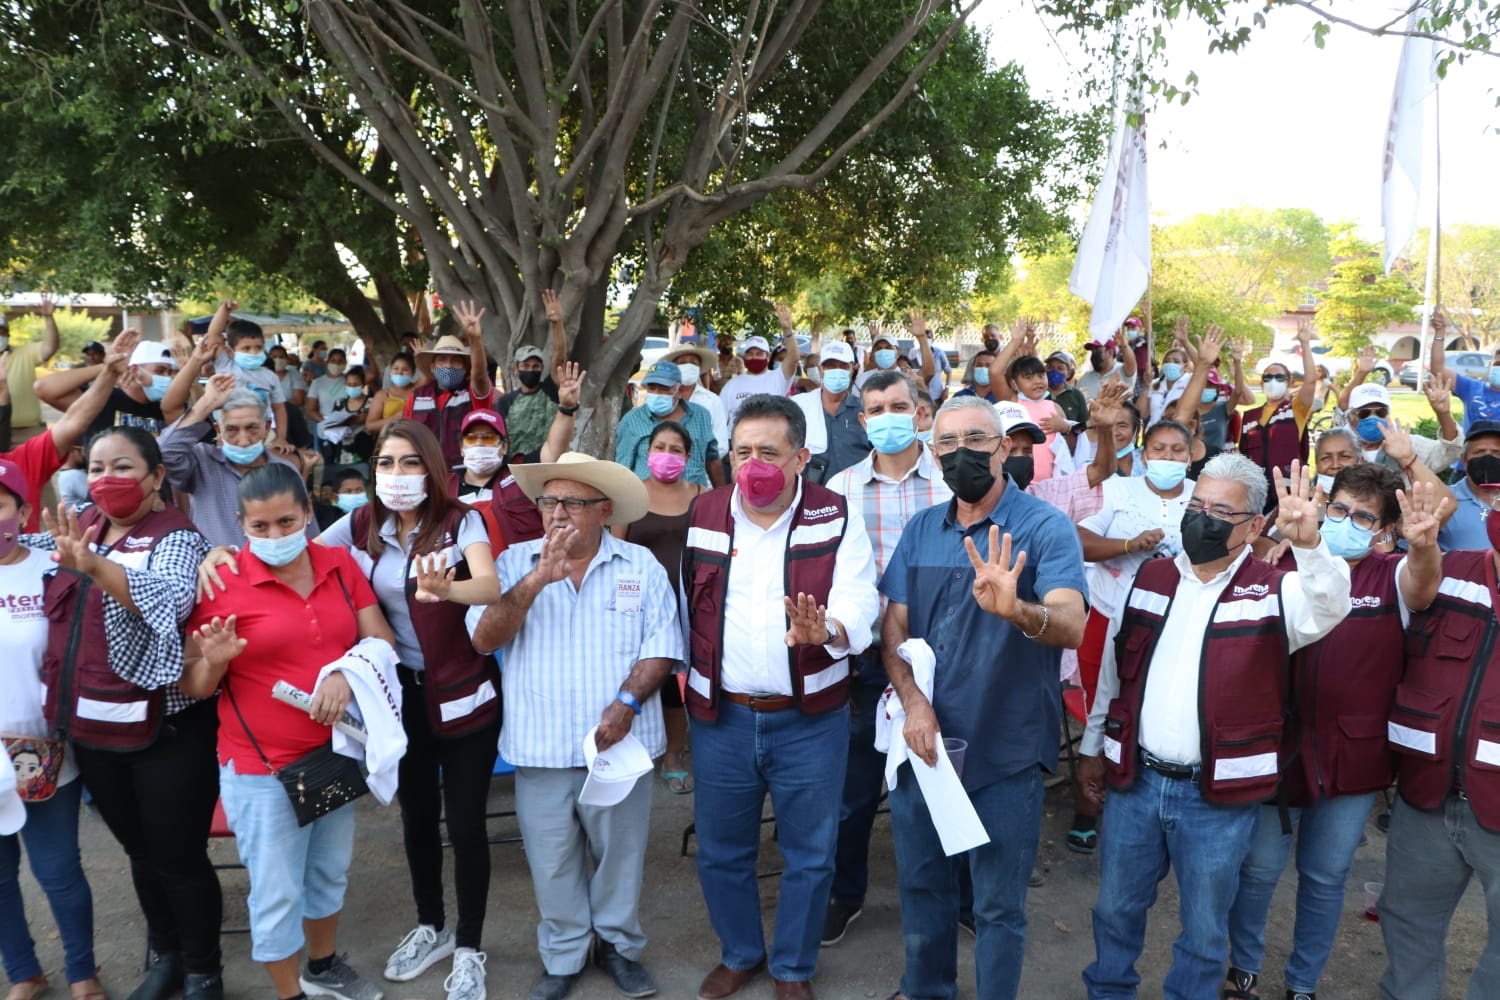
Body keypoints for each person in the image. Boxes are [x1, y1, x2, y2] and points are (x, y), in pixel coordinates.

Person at [1077, 455, 1352, 1000]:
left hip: (1216, 798)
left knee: (1204, 930)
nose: (1202, 519)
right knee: (1114, 910)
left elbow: (1331, 604)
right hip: (1136, 783)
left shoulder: (1276, 591)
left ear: (1252, 526)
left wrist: (1309, 543)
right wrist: (1091, 747)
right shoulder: (1152, 577)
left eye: (1220, 511)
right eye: (1196, 505)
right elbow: (1116, 672)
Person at [877, 395, 1088, 1000]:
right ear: (931, 453)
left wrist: (1016, 608)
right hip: (925, 745)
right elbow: (894, 630)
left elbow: (1070, 625)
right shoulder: (923, 528)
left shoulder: (1043, 528)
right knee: (924, 889)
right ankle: (927, 989)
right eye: (946, 443)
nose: (961, 452)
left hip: (1005, 748)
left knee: (997, 905)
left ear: (1003, 448)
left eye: (976, 439)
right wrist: (915, 704)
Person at [682, 394, 878, 1000]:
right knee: (720, 850)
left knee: (811, 853)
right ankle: (741, 952)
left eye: (769, 451)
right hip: (724, 718)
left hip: (809, 720)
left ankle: (792, 967)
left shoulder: (835, 513)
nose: (753, 464)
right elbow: (689, 602)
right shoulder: (706, 512)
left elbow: (860, 597)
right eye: (742, 451)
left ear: (801, 457)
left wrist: (830, 631)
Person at [1223, 466, 1446, 1000]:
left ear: (1386, 531)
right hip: (1279, 751)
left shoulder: (1391, 573)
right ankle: (1243, 969)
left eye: (1363, 516)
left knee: (1324, 879)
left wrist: (1423, 550)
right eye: (1340, 509)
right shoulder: (1283, 564)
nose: (1347, 521)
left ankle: (1302, 984)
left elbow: (1422, 584)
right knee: (1256, 872)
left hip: (1353, 760)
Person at [469, 452, 681, 1000]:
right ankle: (563, 955)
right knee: (552, 857)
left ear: (604, 511)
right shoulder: (511, 563)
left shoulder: (640, 566)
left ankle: (616, 946)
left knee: (620, 853)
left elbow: (662, 646)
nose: (558, 514)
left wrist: (627, 703)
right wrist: (540, 575)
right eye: (549, 502)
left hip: (620, 744)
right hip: (540, 745)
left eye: (574, 503)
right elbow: (485, 637)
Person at [182, 463, 398, 1000]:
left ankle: (322, 967)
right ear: (241, 525)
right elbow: (195, 686)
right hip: (262, 771)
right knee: (277, 893)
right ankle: (290, 994)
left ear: (308, 513)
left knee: (328, 875)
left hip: (332, 754)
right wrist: (214, 661)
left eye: (286, 521)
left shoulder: (339, 563)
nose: (275, 536)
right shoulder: (222, 581)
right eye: (260, 527)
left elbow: (382, 640)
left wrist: (349, 674)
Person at [29, 426, 222, 1000]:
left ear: (156, 477)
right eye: (96, 469)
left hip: (167, 729)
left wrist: (93, 566)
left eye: (122, 468)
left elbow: (169, 601)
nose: (106, 480)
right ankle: (165, 958)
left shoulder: (178, 538)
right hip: (92, 729)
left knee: (178, 856)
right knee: (140, 852)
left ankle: (203, 971)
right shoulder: (77, 530)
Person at [313, 421, 500, 1000]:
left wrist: (448, 590)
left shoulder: (461, 520)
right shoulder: (365, 524)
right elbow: (305, 556)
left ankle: (469, 946)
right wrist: (233, 554)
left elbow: (489, 585)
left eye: (410, 463)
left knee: (466, 825)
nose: (397, 475)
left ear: (434, 470)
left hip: (465, 693)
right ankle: (431, 927)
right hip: (401, 697)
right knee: (416, 820)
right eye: (387, 463)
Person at [820, 370, 952, 948]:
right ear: (861, 420)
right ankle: (845, 895)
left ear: (921, 411)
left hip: (945, 653)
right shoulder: (841, 488)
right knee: (852, 791)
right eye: (876, 409)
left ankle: (961, 898)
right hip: (870, 658)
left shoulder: (952, 482)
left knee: (951, 779)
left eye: (898, 405)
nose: (887, 417)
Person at [1378, 487, 1500, 1000]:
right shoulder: (1454, 571)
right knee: (1406, 922)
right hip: (1427, 794)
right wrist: (1422, 548)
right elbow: (1414, 585)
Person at [0, 460, 106, 1000]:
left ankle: (82, 972)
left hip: (45, 750)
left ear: (22, 512)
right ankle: (24, 973)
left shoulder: (52, 566)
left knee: (59, 871)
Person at [613, 421, 706, 795]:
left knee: (686, 683)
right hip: (641, 605)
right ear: (646, 451)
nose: (666, 455)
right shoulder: (629, 497)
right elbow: (616, 552)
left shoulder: (703, 495)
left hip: (695, 601)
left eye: (675, 449)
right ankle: (628, 750)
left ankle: (673, 756)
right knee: (651, 676)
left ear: (687, 456)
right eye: (659, 447)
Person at [158, 378, 306, 549]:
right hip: (216, 571)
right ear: (218, 430)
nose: (243, 441)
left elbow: (307, 533)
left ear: (266, 428)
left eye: (252, 428)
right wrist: (207, 402)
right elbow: (164, 452)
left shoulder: (285, 469)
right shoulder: (202, 462)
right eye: (231, 430)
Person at [403, 303, 495, 468]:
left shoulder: (473, 392)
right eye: (442, 359)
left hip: (465, 473)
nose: (449, 365)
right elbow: (407, 436)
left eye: (456, 360)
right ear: (432, 367)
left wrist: (475, 339)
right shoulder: (416, 397)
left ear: (466, 367)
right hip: (427, 473)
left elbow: (480, 375)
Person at [35, 339, 184, 440]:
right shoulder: (102, 399)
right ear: (134, 370)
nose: (166, 378)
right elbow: (44, 388)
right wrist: (107, 367)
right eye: (160, 371)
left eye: (170, 373)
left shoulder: (167, 407)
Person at [1239, 321, 1317, 510]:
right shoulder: (1249, 417)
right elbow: (1242, 458)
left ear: (1289, 382)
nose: (1273, 381)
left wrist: (1305, 344)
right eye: (1268, 377)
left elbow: (1311, 382)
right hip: (1256, 495)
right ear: (1261, 383)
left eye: (1279, 377)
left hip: (1289, 495)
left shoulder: (1296, 410)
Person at [614, 362, 722, 488]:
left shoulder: (700, 415)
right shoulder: (631, 421)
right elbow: (623, 469)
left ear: (680, 390)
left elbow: (712, 459)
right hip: (648, 501)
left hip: (695, 500)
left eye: (664, 389)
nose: (657, 393)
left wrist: (722, 497)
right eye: (652, 388)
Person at [493, 289, 570, 463]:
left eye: (535, 366)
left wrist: (557, 324)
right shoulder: (505, 402)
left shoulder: (550, 391)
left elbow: (559, 358)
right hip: (518, 469)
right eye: (525, 365)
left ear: (542, 368)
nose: (531, 369)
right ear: (516, 369)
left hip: (550, 464)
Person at [197, 303, 290, 439]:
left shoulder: (270, 377)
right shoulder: (225, 365)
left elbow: (279, 409)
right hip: (228, 435)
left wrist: (281, 439)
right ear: (230, 351)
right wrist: (224, 310)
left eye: (258, 347)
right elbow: (214, 334)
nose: (253, 352)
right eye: (246, 348)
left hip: (262, 436)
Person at [791, 343, 870, 484]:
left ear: (852, 369)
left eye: (843, 366)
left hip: (857, 492)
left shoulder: (865, 409)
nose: (837, 371)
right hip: (813, 493)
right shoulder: (799, 406)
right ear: (821, 370)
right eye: (831, 366)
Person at [2, 300, 60, 454]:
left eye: (0, 332)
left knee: (37, 476)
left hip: (29, 433)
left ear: (8, 334)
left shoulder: (25, 352)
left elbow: (50, 347)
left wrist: (49, 318)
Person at [1431, 309, 1500, 434]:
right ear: (1490, 365)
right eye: (1498, 364)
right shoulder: (1471, 388)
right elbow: (1437, 369)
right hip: (1470, 452)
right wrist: (1439, 333)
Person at [1436, 420, 1500, 552]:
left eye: (1497, 453)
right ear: (1464, 461)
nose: (1488, 458)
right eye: (1479, 452)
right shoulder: (1443, 501)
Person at [717, 328, 801, 419]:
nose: (754, 357)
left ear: (768, 356)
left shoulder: (778, 378)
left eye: (759, 354)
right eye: (750, 354)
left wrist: (787, 330)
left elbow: (794, 359)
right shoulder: (731, 385)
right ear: (745, 357)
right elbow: (720, 420)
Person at [665, 345, 728, 456]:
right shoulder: (662, 398)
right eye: (683, 362)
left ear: (699, 369)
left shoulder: (712, 401)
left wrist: (696, 462)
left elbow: (721, 444)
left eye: (693, 363)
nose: (688, 366)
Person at [324, 366, 376, 470]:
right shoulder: (339, 403)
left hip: (364, 452)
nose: (352, 387)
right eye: (349, 384)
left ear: (363, 384)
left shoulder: (371, 402)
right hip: (341, 452)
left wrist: (348, 420)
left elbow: (363, 419)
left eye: (356, 384)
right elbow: (332, 422)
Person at [367, 353, 417, 437]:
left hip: (415, 441)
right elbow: (370, 426)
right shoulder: (382, 395)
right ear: (390, 371)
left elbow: (427, 376)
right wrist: (394, 419)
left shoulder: (419, 391)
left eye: (405, 369)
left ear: (413, 372)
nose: (399, 373)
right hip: (388, 442)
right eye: (396, 368)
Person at [1045, 351, 1088, 425]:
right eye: (1051, 367)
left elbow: (1084, 425)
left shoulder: (1077, 396)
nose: (1055, 371)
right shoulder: (1038, 393)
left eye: (1060, 368)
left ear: (1068, 373)